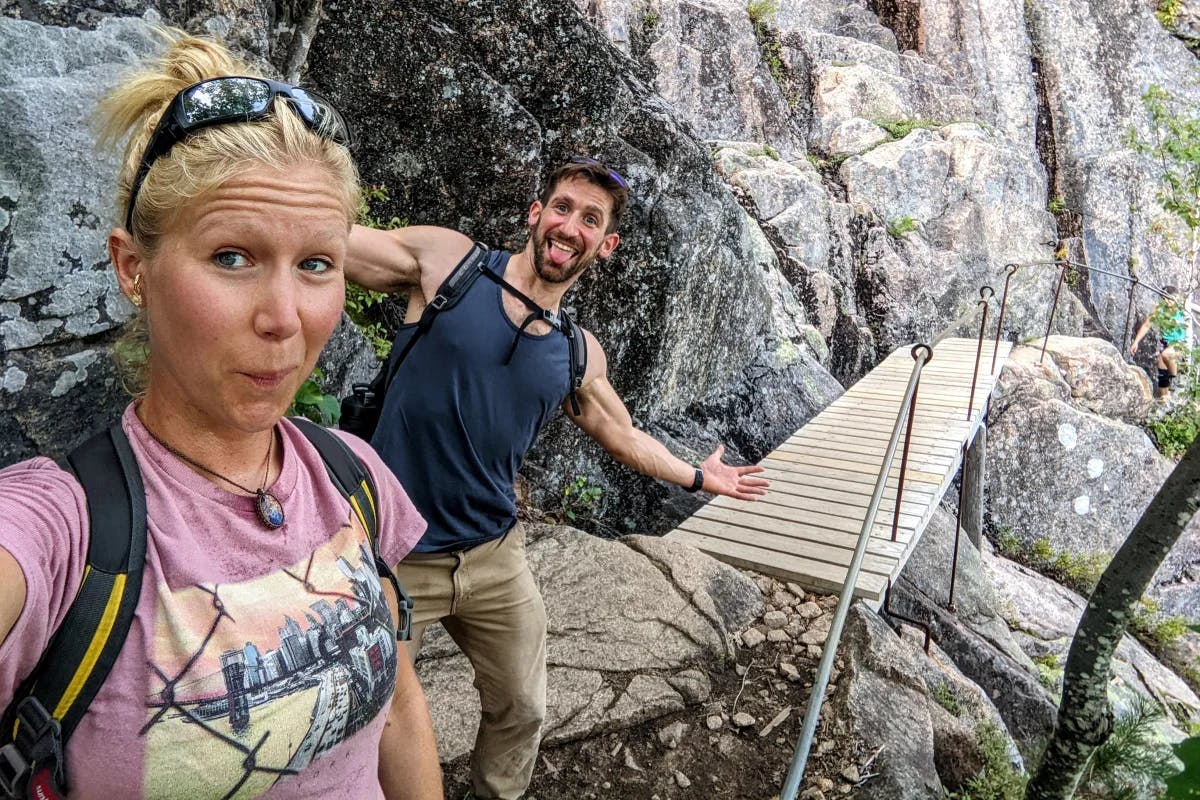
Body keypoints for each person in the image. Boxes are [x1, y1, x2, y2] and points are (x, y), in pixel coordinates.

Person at [0, 32, 442, 799]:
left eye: (315, 265)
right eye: (232, 257)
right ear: (133, 269)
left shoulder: (351, 473)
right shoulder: (63, 531)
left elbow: (399, 708)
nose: (284, 319)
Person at [345, 158, 770, 799]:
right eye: (563, 207)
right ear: (536, 214)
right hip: (396, 556)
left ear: (605, 246)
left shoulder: (577, 352)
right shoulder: (450, 266)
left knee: (524, 707)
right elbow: (329, 243)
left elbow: (622, 434)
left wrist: (697, 478)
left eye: (590, 220)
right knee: (382, 716)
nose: (571, 225)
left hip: (494, 556)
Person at [1131, 284, 1190, 398]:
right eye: (1165, 299)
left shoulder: (1182, 309)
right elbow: (1147, 325)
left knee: (1166, 355)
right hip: (1166, 344)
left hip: (1181, 344)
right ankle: (1165, 398)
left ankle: (1176, 379)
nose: (1168, 302)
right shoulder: (1159, 309)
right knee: (1162, 369)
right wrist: (1136, 342)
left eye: (1171, 299)